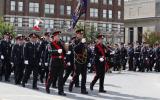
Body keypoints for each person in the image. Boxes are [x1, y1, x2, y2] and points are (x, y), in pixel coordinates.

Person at [45, 31, 66, 96]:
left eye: (59, 36)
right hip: (54, 62)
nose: (58, 37)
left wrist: (66, 49)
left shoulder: (60, 44)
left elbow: (64, 52)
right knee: (51, 76)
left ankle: (61, 91)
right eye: (57, 36)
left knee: (60, 78)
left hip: (61, 63)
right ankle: (47, 87)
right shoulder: (50, 44)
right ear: (54, 37)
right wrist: (57, 51)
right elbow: (50, 51)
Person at [68, 29, 88, 94]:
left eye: (82, 34)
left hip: (84, 60)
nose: (81, 35)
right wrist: (81, 43)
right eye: (80, 34)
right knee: (76, 74)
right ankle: (71, 83)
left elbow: (86, 50)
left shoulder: (84, 41)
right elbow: (75, 49)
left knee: (84, 75)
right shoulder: (74, 41)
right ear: (77, 34)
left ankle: (83, 89)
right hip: (77, 60)